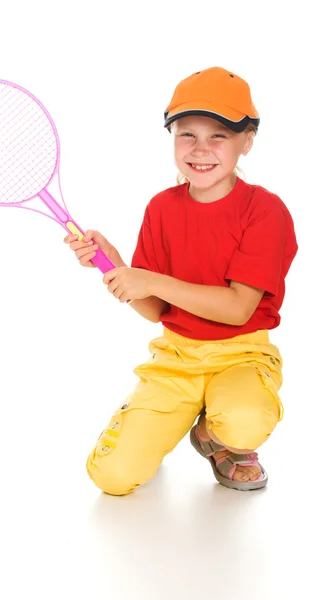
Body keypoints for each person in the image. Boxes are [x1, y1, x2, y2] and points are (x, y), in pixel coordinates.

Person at [64, 66, 298, 493]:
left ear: (247, 141)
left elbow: (237, 308)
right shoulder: (161, 208)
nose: (200, 149)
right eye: (186, 134)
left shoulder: (265, 211)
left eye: (219, 135)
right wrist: (114, 264)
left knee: (244, 421)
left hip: (242, 353)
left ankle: (220, 438)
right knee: (112, 477)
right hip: (177, 357)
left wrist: (151, 280)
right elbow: (155, 310)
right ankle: (157, 418)